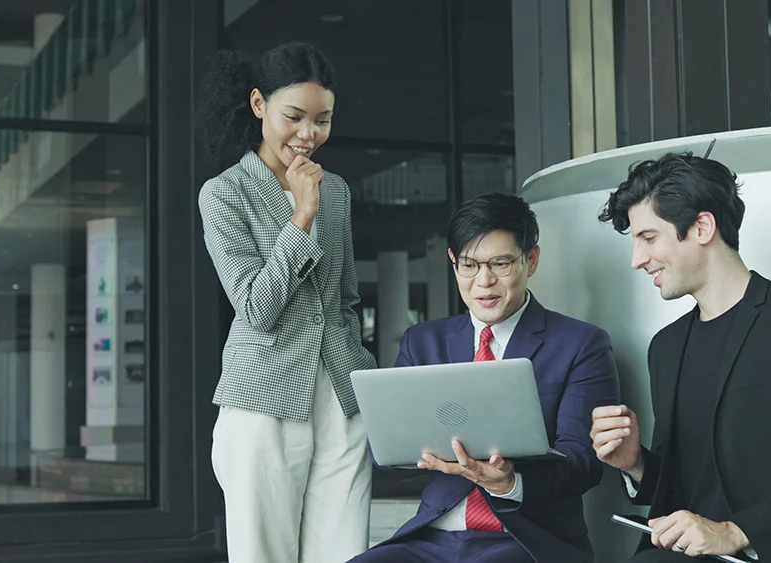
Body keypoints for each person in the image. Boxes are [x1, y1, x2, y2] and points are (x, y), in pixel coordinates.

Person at [590, 153, 771, 563]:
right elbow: (686, 487)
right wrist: (635, 463)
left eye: (649, 238)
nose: (637, 260)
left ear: (702, 227)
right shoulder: (666, 347)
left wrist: (736, 532)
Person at [349, 193, 620, 563]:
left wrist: (511, 483)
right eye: (469, 265)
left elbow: (583, 462)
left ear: (532, 260)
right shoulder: (423, 342)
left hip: (525, 539)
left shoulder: (580, 344)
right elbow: (385, 453)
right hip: (431, 539)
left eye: (501, 263)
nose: (484, 281)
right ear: (453, 263)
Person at [197, 42, 376, 563]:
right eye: (294, 117)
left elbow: (346, 298)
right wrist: (300, 216)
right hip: (263, 400)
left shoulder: (336, 191)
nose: (308, 134)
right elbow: (257, 309)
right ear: (258, 105)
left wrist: (359, 374)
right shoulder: (224, 193)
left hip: (342, 400)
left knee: (344, 553)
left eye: (323, 120)